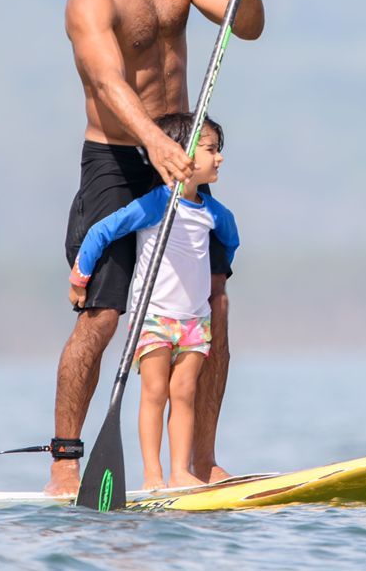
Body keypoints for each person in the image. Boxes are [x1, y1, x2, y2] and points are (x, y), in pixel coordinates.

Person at [44, 0, 268, 498]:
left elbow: (243, 29)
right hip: (117, 160)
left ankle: (200, 463)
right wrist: (152, 146)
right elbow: (109, 84)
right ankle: (65, 462)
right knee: (104, 317)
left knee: (211, 304)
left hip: (180, 154)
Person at [69, 112, 239, 490]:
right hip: (156, 318)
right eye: (211, 150)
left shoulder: (213, 212)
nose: (219, 158)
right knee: (155, 392)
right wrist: (80, 276)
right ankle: (153, 476)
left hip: (195, 322)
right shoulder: (153, 205)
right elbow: (102, 231)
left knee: (184, 394)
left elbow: (231, 239)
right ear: (180, 155)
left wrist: (218, 271)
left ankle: (180, 471)